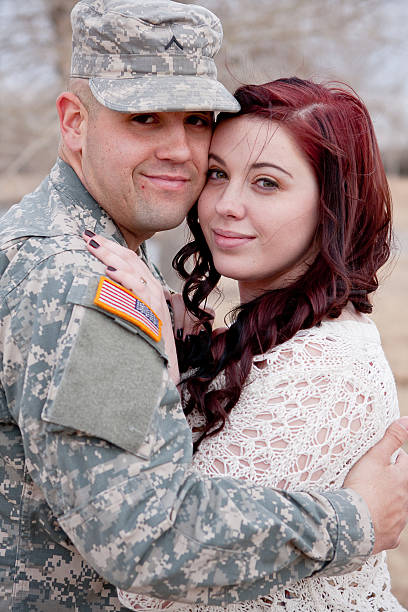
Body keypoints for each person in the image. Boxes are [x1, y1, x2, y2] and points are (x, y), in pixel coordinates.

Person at [0, 0, 408, 608]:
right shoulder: (87, 285)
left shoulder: (65, 250)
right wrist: (354, 520)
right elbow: (144, 539)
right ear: (74, 122)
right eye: (143, 119)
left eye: (196, 120)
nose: (180, 152)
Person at [84, 77, 408, 611]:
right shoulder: (266, 332)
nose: (226, 205)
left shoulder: (324, 367)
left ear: (332, 207)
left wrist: (158, 358)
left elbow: (155, 586)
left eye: (267, 184)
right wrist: (189, 348)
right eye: (217, 174)